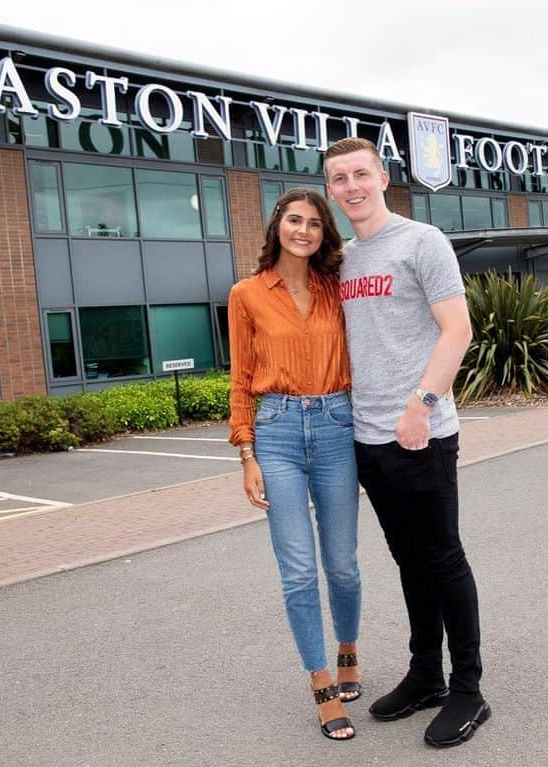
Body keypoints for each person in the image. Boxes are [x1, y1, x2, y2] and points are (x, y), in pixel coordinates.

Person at [323, 137, 490, 748]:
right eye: (338, 178)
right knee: (408, 561)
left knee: (442, 557)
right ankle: (426, 675)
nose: (350, 187)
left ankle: (468, 689)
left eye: (359, 174)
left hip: (421, 433)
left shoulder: (423, 242)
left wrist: (422, 405)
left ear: (383, 176)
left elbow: (458, 329)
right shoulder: (342, 259)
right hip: (366, 436)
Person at [227, 187, 362, 741]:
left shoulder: (339, 290)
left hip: (336, 426)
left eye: (312, 222)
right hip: (276, 430)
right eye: (293, 220)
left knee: (343, 566)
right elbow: (239, 376)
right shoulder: (246, 294)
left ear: (323, 232)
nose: (302, 230)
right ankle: (321, 680)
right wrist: (246, 452)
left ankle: (349, 646)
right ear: (276, 227)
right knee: (299, 571)